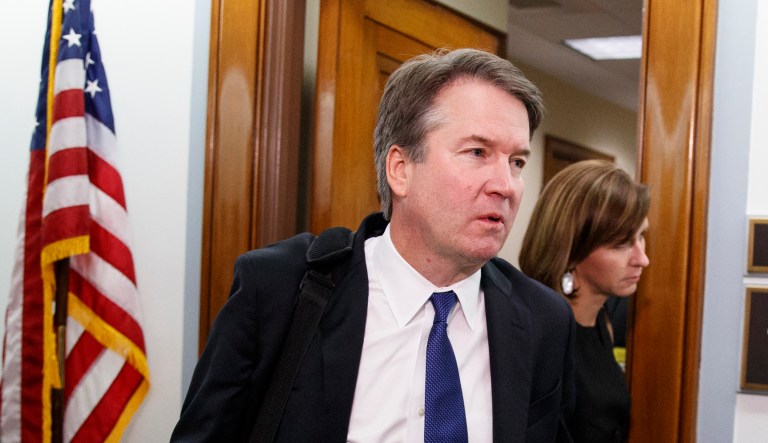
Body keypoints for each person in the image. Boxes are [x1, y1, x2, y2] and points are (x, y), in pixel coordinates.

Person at [171, 48, 575, 442]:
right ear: (401, 170)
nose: (506, 185)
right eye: (477, 152)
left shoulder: (543, 319)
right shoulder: (282, 290)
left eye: (516, 162)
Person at [519, 160, 650, 442]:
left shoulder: (602, 321)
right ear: (572, 248)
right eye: (622, 244)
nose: (642, 259)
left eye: (642, 237)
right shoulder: (537, 336)